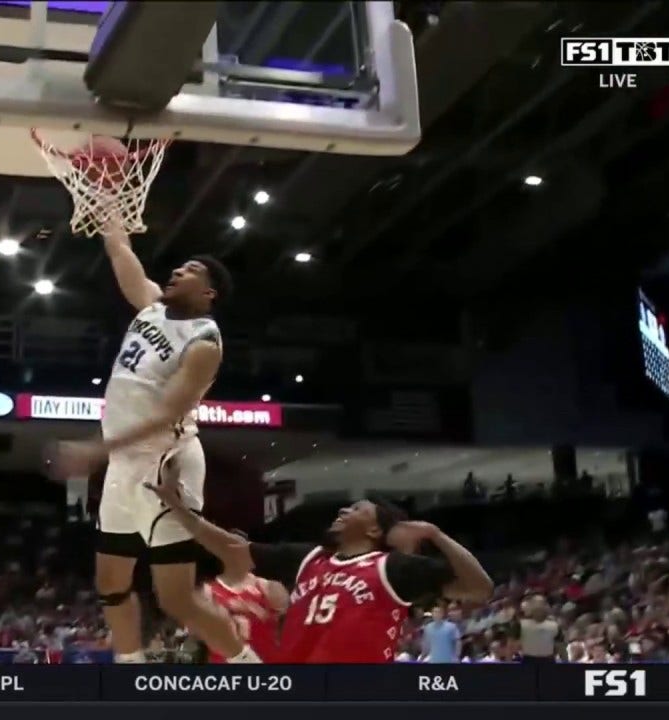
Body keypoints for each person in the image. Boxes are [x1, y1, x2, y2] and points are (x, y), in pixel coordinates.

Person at [48, 220, 257, 664]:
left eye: (192, 269)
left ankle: (249, 668)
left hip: (167, 464)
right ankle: (131, 672)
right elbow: (124, 260)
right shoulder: (152, 308)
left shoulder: (205, 342)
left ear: (209, 293)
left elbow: (168, 414)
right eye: (180, 266)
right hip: (125, 462)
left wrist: (95, 449)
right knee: (110, 584)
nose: (178, 270)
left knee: (176, 598)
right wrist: (111, 222)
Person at [146, 481, 494, 663]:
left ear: (375, 530)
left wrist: (435, 534)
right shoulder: (308, 559)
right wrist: (180, 510)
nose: (345, 508)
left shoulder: (394, 568)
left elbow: (479, 589)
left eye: (358, 508)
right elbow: (232, 547)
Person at [203, 530, 287, 663]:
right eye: (229, 548)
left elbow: (290, 627)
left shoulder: (268, 587)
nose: (235, 553)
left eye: (239, 548)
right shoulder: (208, 591)